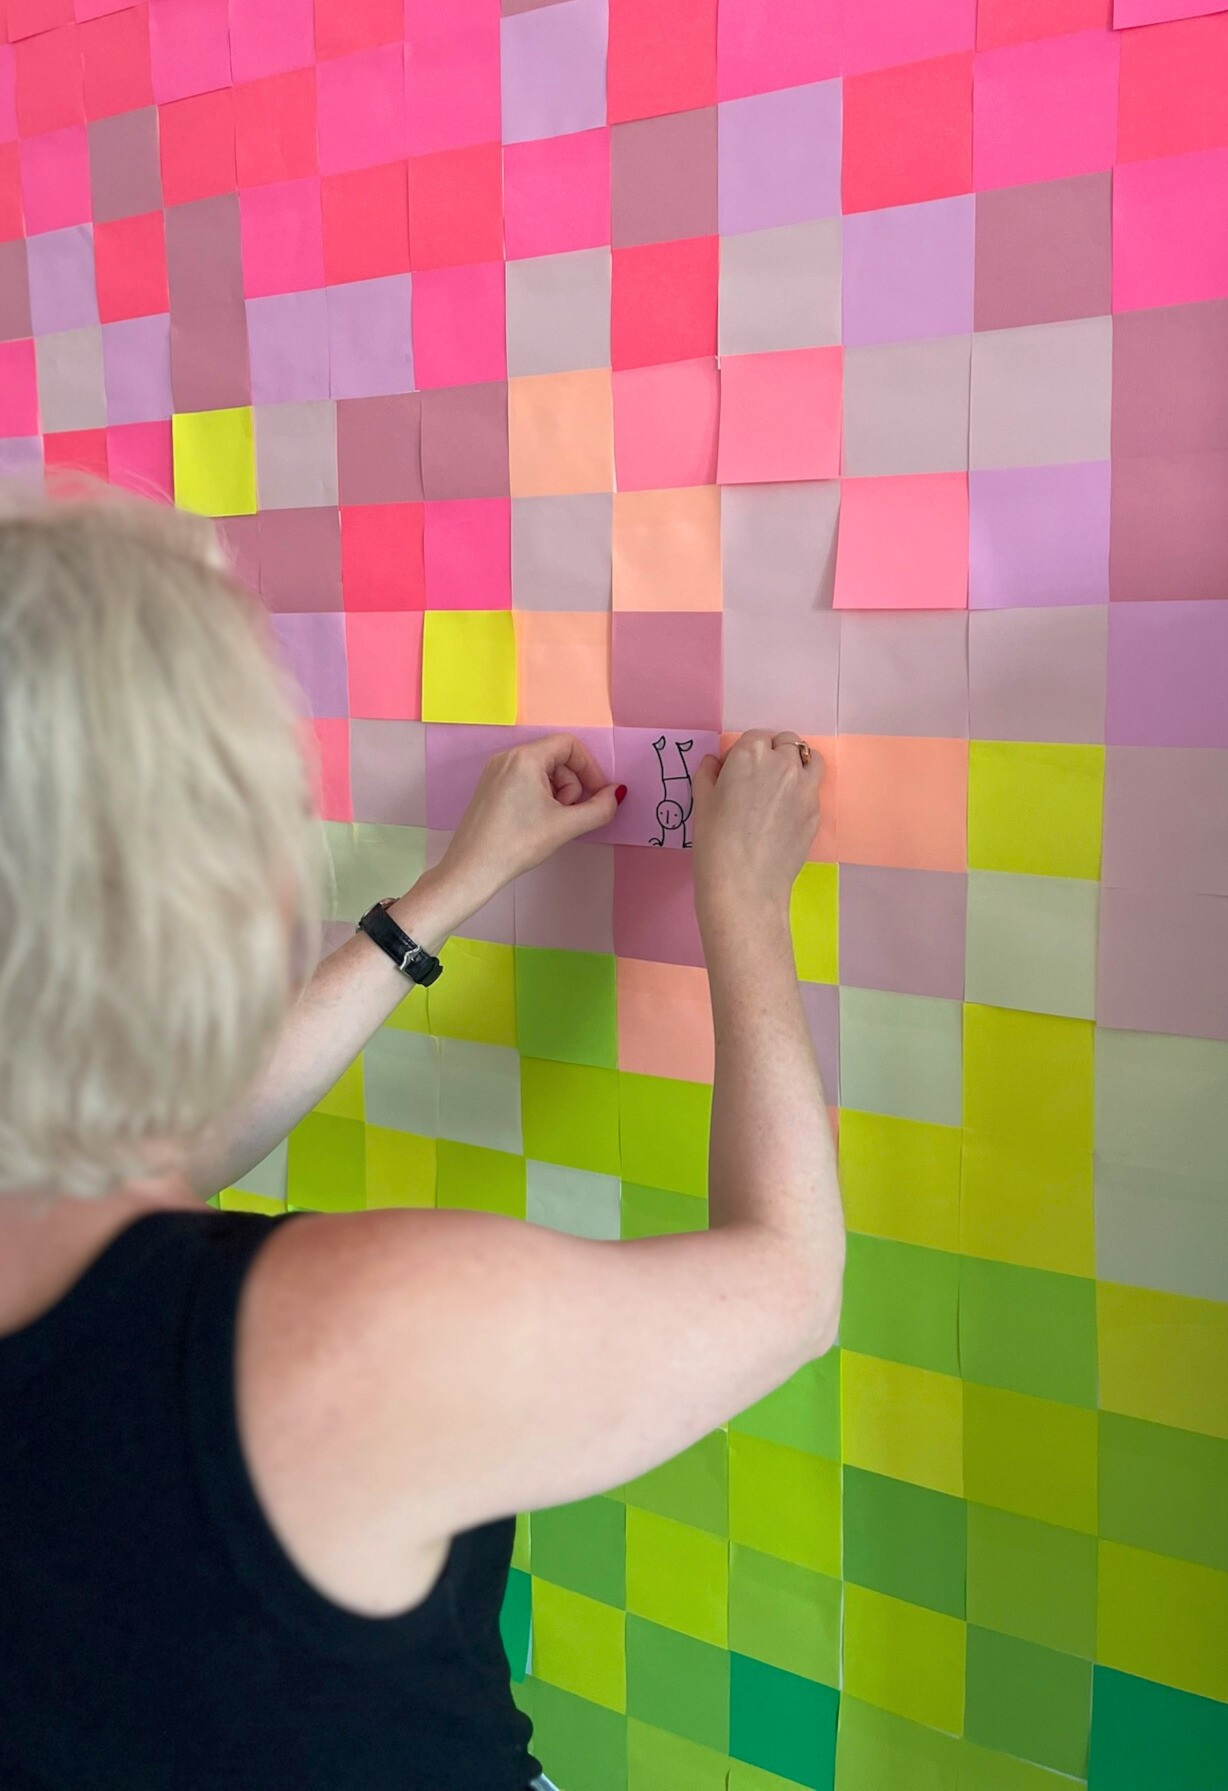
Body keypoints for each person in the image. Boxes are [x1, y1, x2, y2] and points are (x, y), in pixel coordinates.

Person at [0, 493, 844, 1791]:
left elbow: (138, 1161)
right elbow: (788, 1286)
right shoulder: (342, 1330)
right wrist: (744, 904)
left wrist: (442, 897)